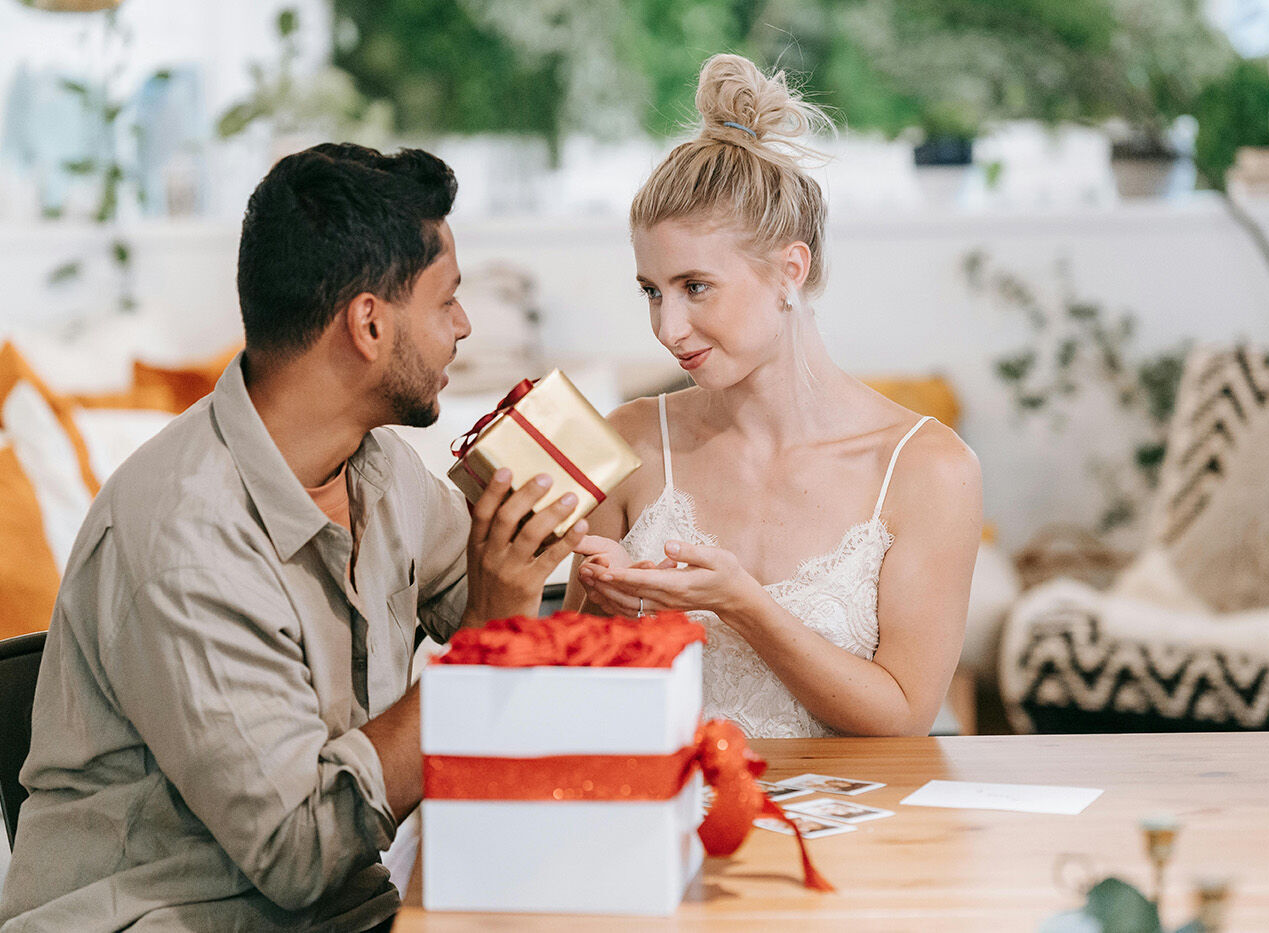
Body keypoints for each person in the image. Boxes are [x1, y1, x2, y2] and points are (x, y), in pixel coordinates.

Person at [0, 143, 584, 931]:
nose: (465, 325)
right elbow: (298, 851)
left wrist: (584, 591)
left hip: (345, 909)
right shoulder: (185, 540)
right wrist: (490, 643)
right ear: (368, 324)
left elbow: (501, 609)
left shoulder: (379, 470)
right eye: (446, 299)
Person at [565, 54, 982, 739]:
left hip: (852, 836)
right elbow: (569, 693)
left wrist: (744, 606)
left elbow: (904, 714)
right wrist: (604, 610)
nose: (668, 328)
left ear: (790, 269)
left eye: (696, 286)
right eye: (651, 291)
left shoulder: (928, 469)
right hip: (652, 824)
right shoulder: (630, 441)